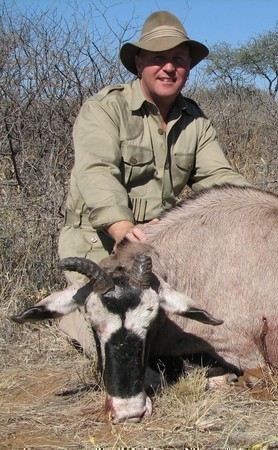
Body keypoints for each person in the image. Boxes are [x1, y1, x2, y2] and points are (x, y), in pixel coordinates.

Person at [57, 11, 250, 354]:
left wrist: (259, 209)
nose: (169, 67)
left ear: (189, 65)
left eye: (178, 59)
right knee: (114, 329)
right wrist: (121, 226)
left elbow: (220, 179)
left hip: (154, 249)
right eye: (158, 58)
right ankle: (75, 317)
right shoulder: (105, 109)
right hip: (99, 245)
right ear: (139, 62)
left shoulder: (195, 121)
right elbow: (97, 171)